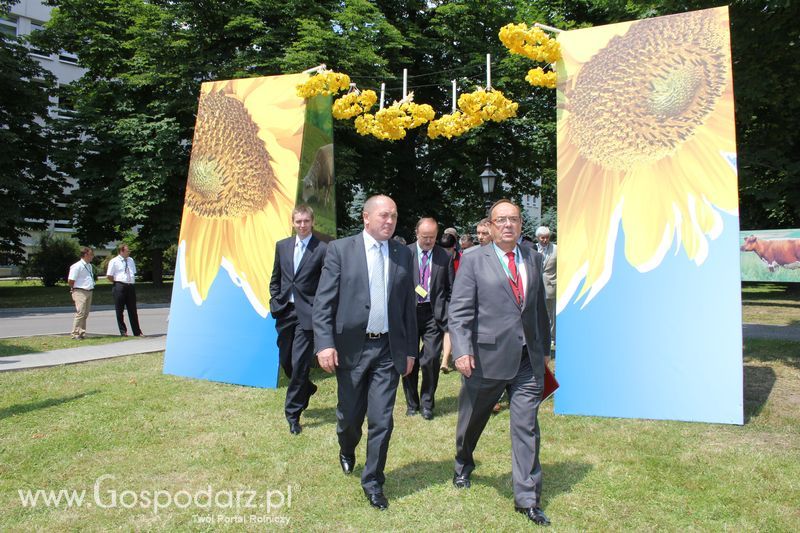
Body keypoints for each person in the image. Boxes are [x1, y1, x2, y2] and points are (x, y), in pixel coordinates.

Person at [448, 199, 552, 526]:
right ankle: (463, 462)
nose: (508, 225)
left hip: (526, 360)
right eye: (501, 220)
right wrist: (461, 350)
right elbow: (460, 310)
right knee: (472, 419)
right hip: (485, 358)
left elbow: (537, 307)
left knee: (526, 426)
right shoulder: (472, 259)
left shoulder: (533, 257)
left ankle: (527, 498)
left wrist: (544, 348)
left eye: (514, 219)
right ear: (491, 227)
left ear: (521, 225)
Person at [313, 194, 417, 511]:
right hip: (351, 348)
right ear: (366, 217)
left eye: (394, 216)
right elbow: (324, 302)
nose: (390, 221)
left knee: (382, 419)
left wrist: (410, 350)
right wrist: (325, 343)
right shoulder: (340, 250)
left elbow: (407, 307)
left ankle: (373, 481)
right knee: (349, 417)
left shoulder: (402, 253)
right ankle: (347, 447)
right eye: (384, 215)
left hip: (388, 349)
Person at [269, 205, 328, 435]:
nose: (302, 225)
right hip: (285, 312)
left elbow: (325, 284)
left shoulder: (322, 249)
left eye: (306, 221)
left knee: (300, 362)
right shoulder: (282, 246)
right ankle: (307, 387)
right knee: (287, 362)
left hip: (308, 315)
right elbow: (276, 277)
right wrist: (275, 299)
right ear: (293, 223)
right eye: (298, 221)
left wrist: (319, 310)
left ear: (312, 222)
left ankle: (292, 414)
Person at [402, 217, 454, 420]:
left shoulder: (444, 256)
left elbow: (450, 288)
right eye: (425, 237)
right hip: (410, 313)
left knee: (431, 359)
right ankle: (412, 403)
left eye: (432, 237)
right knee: (409, 358)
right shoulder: (405, 253)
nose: (428, 241)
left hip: (434, 314)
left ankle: (427, 404)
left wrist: (447, 312)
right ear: (416, 233)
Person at [106, 244, 143, 337]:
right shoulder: (114, 261)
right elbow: (109, 276)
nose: (129, 252)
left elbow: (133, 272)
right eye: (127, 251)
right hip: (119, 285)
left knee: (132, 310)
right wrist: (117, 282)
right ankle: (123, 331)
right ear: (121, 251)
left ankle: (137, 332)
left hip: (130, 285)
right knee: (119, 310)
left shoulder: (130, 260)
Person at [67, 247, 95, 339]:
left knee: (85, 313)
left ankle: (81, 332)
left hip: (89, 291)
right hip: (80, 291)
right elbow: (71, 280)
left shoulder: (89, 265)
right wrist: (73, 289)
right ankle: (75, 333)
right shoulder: (77, 266)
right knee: (80, 312)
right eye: (91, 254)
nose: (93, 256)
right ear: (86, 255)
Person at [535, 226, 557, 344]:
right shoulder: (532, 249)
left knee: (551, 314)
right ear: (537, 237)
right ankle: (539, 336)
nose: (545, 240)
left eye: (547, 237)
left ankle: (552, 338)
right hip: (536, 287)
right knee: (538, 313)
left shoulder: (556, 249)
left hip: (551, 286)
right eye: (542, 238)